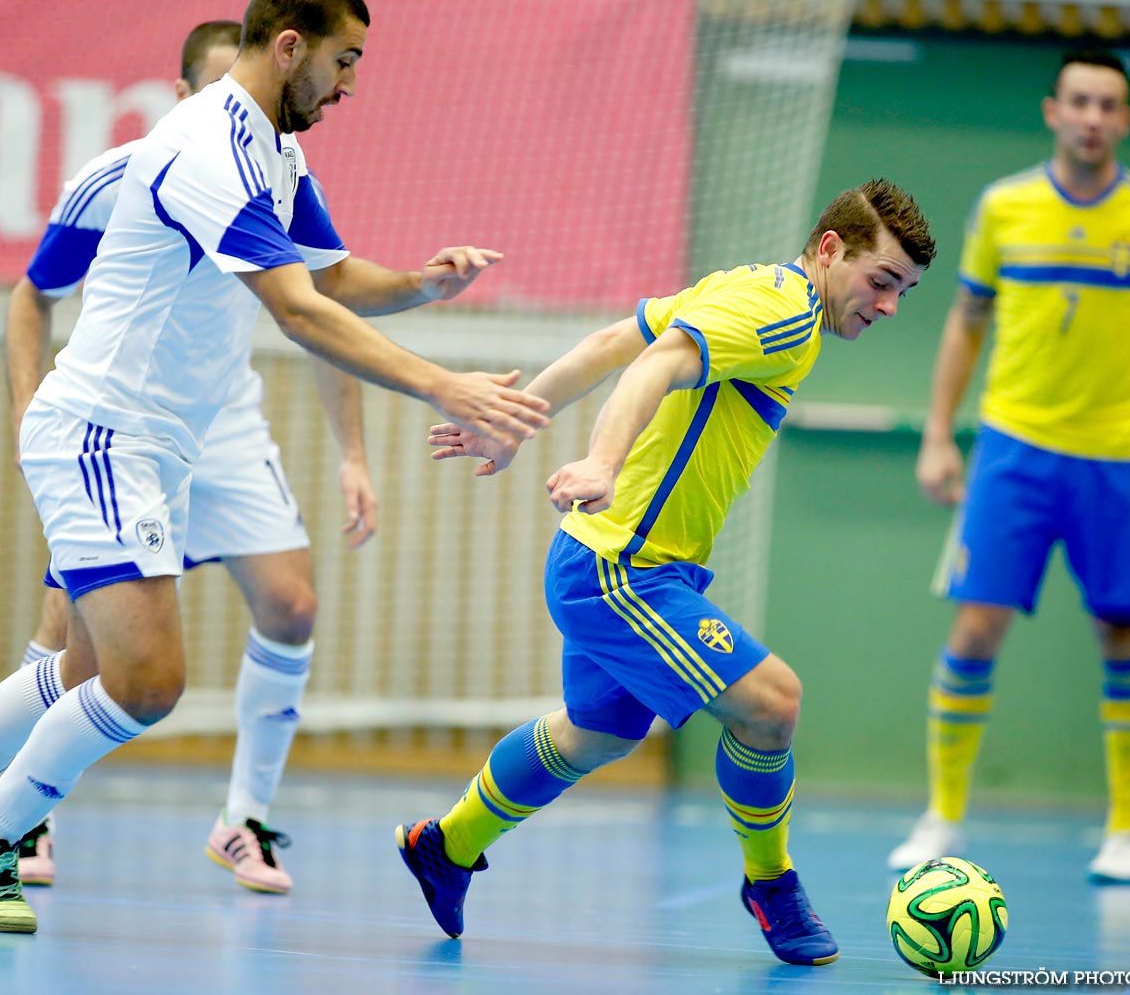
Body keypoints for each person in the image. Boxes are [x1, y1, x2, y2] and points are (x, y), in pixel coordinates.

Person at [0, 0, 549, 935]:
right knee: (149, 681)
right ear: (290, 45)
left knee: (83, 668)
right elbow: (298, 313)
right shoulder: (209, 147)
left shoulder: (276, 149)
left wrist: (423, 282)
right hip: (104, 432)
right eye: (344, 61)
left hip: (159, 445)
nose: (349, 86)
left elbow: (331, 278)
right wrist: (441, 387)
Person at [398, 180, 935, 965]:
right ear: (830, 250)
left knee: (596, 734)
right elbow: (653, 365)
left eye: (905, 292)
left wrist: (516, 420)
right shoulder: (779, 313)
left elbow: (612, 342)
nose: (888, 305)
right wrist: (602, 461)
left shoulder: (754, 290)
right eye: (881, 282)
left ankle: (448, 844)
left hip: (632, 565)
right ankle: (770, 882)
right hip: (622, 570)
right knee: (771, 705)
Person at [3, 17, 451, 896]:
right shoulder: (131, 171)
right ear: (187, 94)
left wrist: (354, 452)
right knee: (75, 641)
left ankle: (244, 819)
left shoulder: (277, 164)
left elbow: (322, 303)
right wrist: (31, 418)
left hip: (220, 429)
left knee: (291, 605)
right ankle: (18, 818)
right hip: (120, 432)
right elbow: (35, 294)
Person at [886, 48, 1130, 884]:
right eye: (1078, 101)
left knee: (1127, 632)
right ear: (1053, 110)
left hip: (1118, 457)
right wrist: (939, 433)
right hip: (1015, 450)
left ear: (1124, 120)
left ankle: (1125, 832)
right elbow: (967, 320)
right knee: (976, 625)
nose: (1091, 117)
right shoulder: (1004, 208)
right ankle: (943, 815)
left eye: (1108, 105)